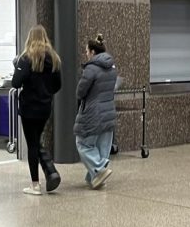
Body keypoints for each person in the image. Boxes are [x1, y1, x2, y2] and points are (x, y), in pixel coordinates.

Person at [10, 25, 63, 196]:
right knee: (36, 141)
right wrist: (45, 92)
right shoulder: (54, 58)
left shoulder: (26, 58)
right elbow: (58, 85)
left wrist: (18, 67)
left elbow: (16, 83)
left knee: (32, 144)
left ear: (30, 38)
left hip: (28, 108)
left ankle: (35, 185)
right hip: (45, 107)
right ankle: (50, 170)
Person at [74, 34, 118, 189]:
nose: (86, 54)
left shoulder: (91, 68)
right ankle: (97, 178)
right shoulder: (112, 67)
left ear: (92, 52)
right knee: (102, 147)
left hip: (93, 113)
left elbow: (80, 92)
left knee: (83, 143)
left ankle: (99, 171)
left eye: (87, 51)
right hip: (109, 112)